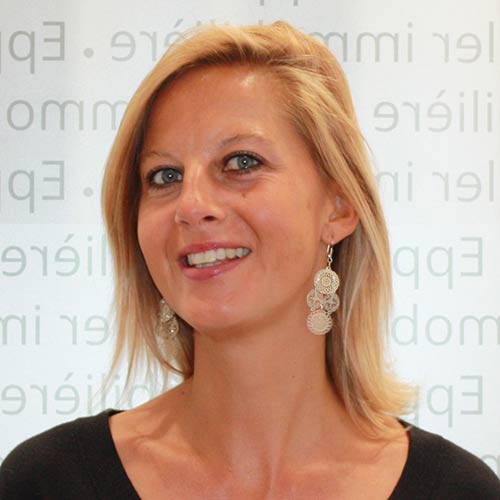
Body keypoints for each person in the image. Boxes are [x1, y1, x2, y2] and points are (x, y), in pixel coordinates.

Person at [0, 21, 499, 500]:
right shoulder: (45, 482)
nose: (192, 205)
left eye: (241, 162)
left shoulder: (460, 491)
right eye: (165, 176)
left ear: (340, 206)